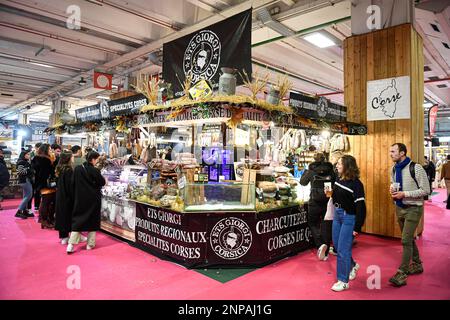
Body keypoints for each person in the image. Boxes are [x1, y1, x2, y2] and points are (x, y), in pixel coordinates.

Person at [389, 143, 430, 287]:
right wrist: (393, 190)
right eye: (390, 151)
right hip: (399, 207)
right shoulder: (393, 168)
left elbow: (426, 190)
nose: (391, 154)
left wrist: (404, 194)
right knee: (409, 238)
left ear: (402, 153)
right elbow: (393, 183)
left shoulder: (416, 168)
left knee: (405, 240)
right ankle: (417, 264)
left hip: (413, 208)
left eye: (393, 151)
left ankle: (402, 272)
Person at [330, 155, 366, 292]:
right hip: (337, 215)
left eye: (339, 164)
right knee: (338, 248)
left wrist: (358, 227)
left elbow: (361, 207)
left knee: (343, 250)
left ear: (347, 166)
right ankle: (353, 265)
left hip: (348, 218)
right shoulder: (339, 178)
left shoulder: (356, 184)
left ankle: (343, 281)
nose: (337, 166)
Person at [67, 151, 106, 254]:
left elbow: (73, 183)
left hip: (80, 198)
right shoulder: (95, 170)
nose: (97, 161)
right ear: (93, 159)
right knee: (92, 221)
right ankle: (90, 244)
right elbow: (102, 182)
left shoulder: (78, 169)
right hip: (93, 199)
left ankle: (70, 245)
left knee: (78, 221)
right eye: (97, 159)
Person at [300, 152, 336, 261]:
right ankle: (326, 249)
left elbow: (302, 182)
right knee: (326, 225)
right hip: (328, 200)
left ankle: (320, 245)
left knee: (313, 223)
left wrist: (306, 171)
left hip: (314, 202)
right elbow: (335, 182)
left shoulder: (311, 170)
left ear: (314, 159)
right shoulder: (331, 170)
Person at [55, 151, 75, 244]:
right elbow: (70, 186)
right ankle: (71, 236)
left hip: (60, 195)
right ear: (68, 158)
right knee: (68, 215)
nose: (73, 158)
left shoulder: (59, 169)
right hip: (67, 196)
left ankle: (63, 236)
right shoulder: (69, 170)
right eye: (72, 157)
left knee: (62, 215)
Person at [31, 143, 55, 215]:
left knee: (38, 194)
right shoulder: (47, 160)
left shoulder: (35, 157)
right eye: (49, 149)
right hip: (45, 181)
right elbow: (49, 172)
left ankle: (36, 206)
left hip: (36, 180)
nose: (51, 150)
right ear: (46, 150)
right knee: (46, 200)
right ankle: (43, 217)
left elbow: (34, 169)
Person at [15, 150, 34, 219]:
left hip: (25, 180)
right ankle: (19, 211)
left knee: (26, 196)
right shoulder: (21, 162)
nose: (29, 155)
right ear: (24, 155)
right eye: (27, 154)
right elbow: (20, 172)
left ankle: (24, 210)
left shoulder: (24, 162)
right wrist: (29, 169)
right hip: (25, 180)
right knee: (29, 195)